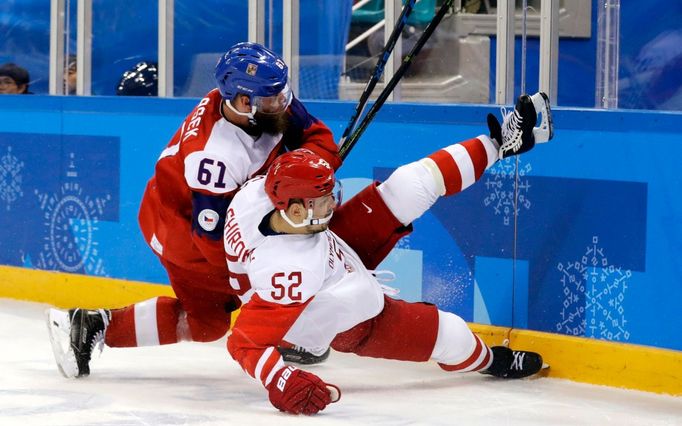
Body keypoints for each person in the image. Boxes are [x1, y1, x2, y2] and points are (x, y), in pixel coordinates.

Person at [224, 92, 553, 415]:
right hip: (348, 319)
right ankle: (492, 360)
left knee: (411, 183)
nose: (333, 202)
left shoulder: (258, 193)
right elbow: (243, 342)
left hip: (329, 243)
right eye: (322, 199)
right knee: (452, 334)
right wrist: (282, 380)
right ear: (295, 212)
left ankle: (499, 143)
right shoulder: (288, 275)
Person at [46, 42, 342, 379]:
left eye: (282, 93)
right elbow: (215, 245)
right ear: (244, 102)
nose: (284, 103)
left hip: (212, 215)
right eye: (274, 98)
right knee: (208, 324)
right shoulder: (215, 158)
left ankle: (291, 328)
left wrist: (313, 171)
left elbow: (317, 139)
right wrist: (262, 281)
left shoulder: (263, 98)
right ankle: (84, 325)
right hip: (181, 232)